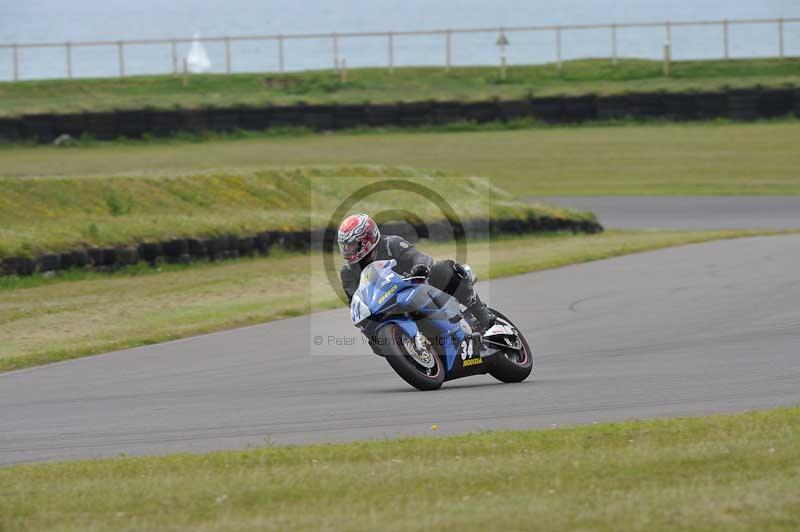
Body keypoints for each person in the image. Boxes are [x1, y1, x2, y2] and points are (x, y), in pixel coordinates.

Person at [337, 213, 496, 329]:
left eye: (352, 244)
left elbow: (419, 258)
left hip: (418, 287)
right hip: (386, 307)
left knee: (443, 268)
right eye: (345, 245)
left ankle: (480, 311)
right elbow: (355, 302)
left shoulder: (391, 243)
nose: (348, 250)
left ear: (368, 238)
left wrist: (418, 269)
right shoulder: (347, 272)